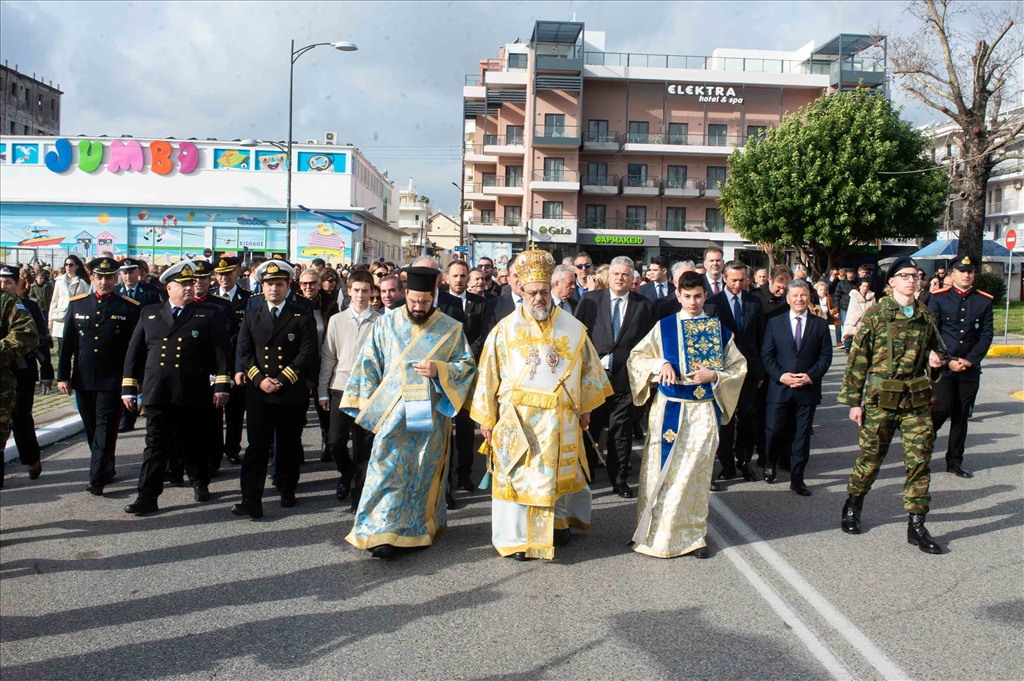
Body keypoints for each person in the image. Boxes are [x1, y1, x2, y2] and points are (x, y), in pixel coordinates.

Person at [472, 249, 612, 560]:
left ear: (551, 291)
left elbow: (589, 370)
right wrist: (486, 418)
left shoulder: (572, 328)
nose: (539, 298)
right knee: (517, 477)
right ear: (520, 291)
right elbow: (488, 376)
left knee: (555, 476)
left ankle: (556, 525)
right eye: (532, 292)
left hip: (560, 417)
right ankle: (517, 539)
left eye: (544, 292)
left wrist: (586, 408)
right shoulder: (503, 330)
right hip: (517, 419)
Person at [341, 266, 476, 560]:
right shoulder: (385, 325)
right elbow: (368, 364)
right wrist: (369, 407)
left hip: (430, 418)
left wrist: (440, 370)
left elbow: (466, 366)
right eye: (413, 301)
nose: (418, 307)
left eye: (425, 302)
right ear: (405, 294)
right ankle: (381, 532)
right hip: (392, 415)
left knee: (420, 472)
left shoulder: (450, 329)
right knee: (385, 470)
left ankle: (416, 529)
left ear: (434, 295)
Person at [626, 271, 747, 558]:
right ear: (678, 296)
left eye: (698, 296)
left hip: (703, 411)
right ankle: (651, 535)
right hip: (670, 407)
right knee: (662, 472)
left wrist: (714, 375)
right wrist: (660, 364)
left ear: (706, 296)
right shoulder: (664, 327)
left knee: (693, 475)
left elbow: (738, 367)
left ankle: (692, 538)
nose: (693, 302)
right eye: (687, 296)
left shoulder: (719, 331)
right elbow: (637, 358)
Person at [838, 256, 945, 553]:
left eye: (915, 276)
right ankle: (853, 504)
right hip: (880, 400)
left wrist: (935, 362)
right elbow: (858, 361)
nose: (911, 280)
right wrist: (854, 402)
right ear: (892, 282)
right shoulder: (876, 315)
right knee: (871, 458)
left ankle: (917, 524)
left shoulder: (924, 316)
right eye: (905, 276)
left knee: (920, 460)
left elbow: (937, 353)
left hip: (915, 400)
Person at [121, 261, 232, 515]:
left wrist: (222, 385)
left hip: (192, 388)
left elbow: (222, 352)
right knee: (155, 445)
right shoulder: (149, 313)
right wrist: (129, 387)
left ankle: (199, 481)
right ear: (169, 288)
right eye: (183, 285)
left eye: (191, 283)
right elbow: (134, 353)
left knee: (194, 440)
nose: (189, 288)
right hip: (157, 390)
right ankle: (146, 496)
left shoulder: (208, 313)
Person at [231, 260, 319, 519]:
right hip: (259, 392)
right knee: (256, 447)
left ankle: (287, 489)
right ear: (262, 286)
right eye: (269, 284)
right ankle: (250, 499)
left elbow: (307, 351)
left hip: (289, 390)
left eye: (279, 284)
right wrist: (260, 379)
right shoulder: (252, 310)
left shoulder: (301, 312)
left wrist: (281, 379)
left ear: (288, 285)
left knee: (288, 444)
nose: (273, 289)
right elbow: (244, 350)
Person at [57, 257, 141, 494]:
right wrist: (63, 376)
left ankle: (96, 478)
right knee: (92, 428)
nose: (105, 282)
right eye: (100, 277)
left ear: (116, 278)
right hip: (84, 378)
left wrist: (133, 379)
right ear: (92, 278)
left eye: (109, 277)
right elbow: (67, 345)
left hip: (112, 379)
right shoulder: (78, 305)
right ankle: (106, 466)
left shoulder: (128, 307)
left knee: (105, 427)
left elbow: (135, 349)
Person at [574, 255, 654, 497]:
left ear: (632, 279)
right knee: (590, 429)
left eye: (625, 274)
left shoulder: (644, 305)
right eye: (616, 273)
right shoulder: (590, 301)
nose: (620, 278)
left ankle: (619, 481)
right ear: (608, 277)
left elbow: (649, 343)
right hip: (594, 380)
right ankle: (585, 477)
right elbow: (577, 337)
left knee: (621, 433)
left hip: (625, 380)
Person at [761, 279, 833, 495]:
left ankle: (797, 478)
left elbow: (825, 356)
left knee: (801, 436)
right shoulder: (775, 323)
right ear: (788, 298)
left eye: (803, 295)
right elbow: (767, 355)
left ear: (809, 297)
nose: (799, 299)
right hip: (780, 388)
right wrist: (782, 376)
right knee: (774, 430)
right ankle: (770, 462)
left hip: (807, 389)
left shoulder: (819, 324)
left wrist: (810, 376)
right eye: (795, 296)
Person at [928, 254, 994, 478]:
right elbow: (933, 333)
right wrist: (948, 360)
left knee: (961, 414)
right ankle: (921, 450)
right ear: (952, 274)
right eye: (962, 271)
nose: (966, 275)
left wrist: (971, 360)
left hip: (969, 368)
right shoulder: (939, 298)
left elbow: (986, 335)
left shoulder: (983, 301)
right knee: (941, 408)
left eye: (970, 271)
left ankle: (954, 461)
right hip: (944, 366)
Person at [319, 270, 379, 512]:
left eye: (365, 291)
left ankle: (358, 494)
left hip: (369, 392)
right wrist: (323, 391)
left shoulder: (381, 321)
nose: (360, 295)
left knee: (364, 447)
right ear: (349, 291)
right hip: (340, 388)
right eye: (356, 290)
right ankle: (346, 472)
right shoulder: (337, 320)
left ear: (372, 293)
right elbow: (328, 357)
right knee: (335, 441)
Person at [706, 261, 765, 484]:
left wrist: (760, 372)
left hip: (749, 371)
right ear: (724, 278)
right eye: (733, 280)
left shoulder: (754, 302)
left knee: (747, 418)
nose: (738, 284)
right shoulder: (712, 303)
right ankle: (727, 464)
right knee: (726, 419)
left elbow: (761, 337)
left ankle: (745, 461)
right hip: (724, 372)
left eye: (742, 280)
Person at [0, 266, 52, 483]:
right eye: (0, 282)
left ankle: (31, 458)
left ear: (18, 284)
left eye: (8, 282)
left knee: (20, 418)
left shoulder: (25, 306)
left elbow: (39, 338)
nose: (3, 286)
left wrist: (47, 370)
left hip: (20, 371)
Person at [444, 259, 487, 491]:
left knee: (465, 427)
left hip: (469, 370)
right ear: (447, 277)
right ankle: (446, 475)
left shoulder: (480, 303)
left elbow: (483, 334)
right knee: (444, 427)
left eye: (463, 276)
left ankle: (464, 473)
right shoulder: (440, 302)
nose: (459, 280)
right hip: (444, 370)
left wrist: (466, 356)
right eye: (455, 276)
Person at [1, 290, 40, 488]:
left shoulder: (6, 302)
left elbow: (27, 333)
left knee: (20, 418)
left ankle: (32, 458)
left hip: (3, 384)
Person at [299, 268, 337, 461]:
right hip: (301, 364)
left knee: (323, 406)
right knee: (298, 408)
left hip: (323, 361)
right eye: (304, 283)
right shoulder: (295, 304)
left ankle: (326, 441)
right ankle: (295, 446)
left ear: (319, 284)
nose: (308, 287)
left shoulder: (329, 305)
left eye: (312, 283)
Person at [49, 254, 89, 355]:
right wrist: (50, 319)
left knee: (76, 349)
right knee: (62, 350)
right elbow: (54, 300)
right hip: (61, 317)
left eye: (71, 264)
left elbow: (87, 300)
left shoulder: (83, 282)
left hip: (77, 317)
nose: (68, 267)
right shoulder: (59, 280)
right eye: (66, 264)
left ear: (76, 266)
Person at [842, 278, 877, 353]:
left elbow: (874, 308)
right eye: (863, 286)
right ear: (860, 286)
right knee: (857, 339)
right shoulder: (854, 296)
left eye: (867, 286)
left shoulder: (871, 296)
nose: (865, 288)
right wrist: (860, 316)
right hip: (857, 321)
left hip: (868, 321)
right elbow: (853, 310)